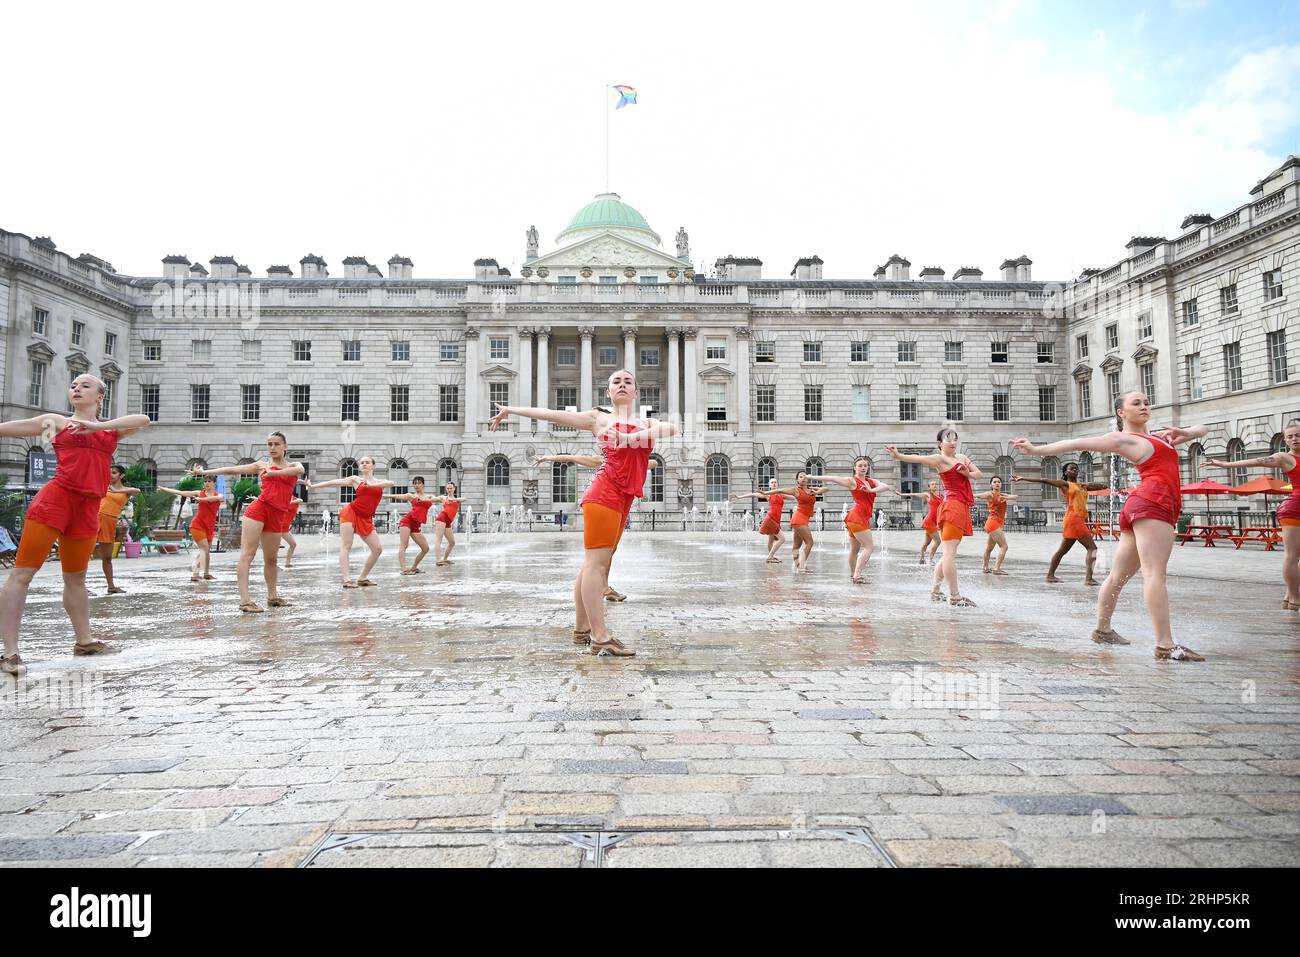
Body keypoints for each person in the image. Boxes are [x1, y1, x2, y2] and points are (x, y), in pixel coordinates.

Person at [489, 369, 679, 657]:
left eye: (628, 382)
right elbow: (551, 414)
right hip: (603, 494)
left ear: (637, 392)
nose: (622, 385)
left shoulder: (645, 422)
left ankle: (581, 629)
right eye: (616, 382)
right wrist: (511, 410)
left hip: (622, 499)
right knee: (596, 566)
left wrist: (631, 438)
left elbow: (673, 428)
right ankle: (600, 636)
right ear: (608, 392)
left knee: (593, 565)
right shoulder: (599, 419)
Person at [1012, 390, 1209, 661]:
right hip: (1153, 504)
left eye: (1146, 402)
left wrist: (1188, 432)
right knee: (1154, 575)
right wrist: (1036, 450)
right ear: (1121, 413)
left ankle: (1103, 630)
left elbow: (1204, 427)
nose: (1144, 406)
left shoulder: (1158, 437)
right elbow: (1075, 441)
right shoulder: (1123, 439)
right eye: (1136, 403)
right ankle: (1165, 645)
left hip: (1142, 506)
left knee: (1118, 576)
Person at [0, 374, 150, 676]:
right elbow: (7, 430)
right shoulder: (56, 423)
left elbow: (144, 419)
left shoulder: (110, 433)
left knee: (76, 578)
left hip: (88, 508)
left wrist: (96, 426)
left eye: (84, 385)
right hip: (55, 501)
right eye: (73, 385)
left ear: (100, 396)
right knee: (23, 573)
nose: (76, 388)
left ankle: (84, 641)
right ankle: (10, 653)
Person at [191, 432, 304, 613]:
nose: (272, 448)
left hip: (278, 514)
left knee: (272, 558)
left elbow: (299, 471)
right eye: (269, 444)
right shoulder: (262, 465)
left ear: (285, 446)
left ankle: (272, 596)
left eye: (276, 444)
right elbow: (232, 470)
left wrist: (274, 473)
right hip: (258, 510)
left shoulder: (293, 465)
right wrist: (205, 472)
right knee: (247, 554)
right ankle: (245, 601)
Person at [1206, 420, 1300, 609]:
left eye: (1298, 435)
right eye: (1290, 436)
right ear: (1286, 440)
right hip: (1294, 507)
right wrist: (1225, 464)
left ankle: (1289, 595)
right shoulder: (1285, 457)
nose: (1295, 439)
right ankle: (1295, 599)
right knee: (1292, 555)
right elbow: (1258, 461)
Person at [537, 453, 660, 594]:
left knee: (611, 550)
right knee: (599, 555)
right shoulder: (607, 461)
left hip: (620, 506)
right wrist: (548, 458)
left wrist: (635, 461)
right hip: (605, 502)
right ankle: (600, 589)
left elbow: (653, 463)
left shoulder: (631, 463)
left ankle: (604, 586)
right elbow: (573, 458)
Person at [887, 429, 984, 607]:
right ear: (939, 443)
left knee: (948, 553)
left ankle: (936, 590)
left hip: (961, 507)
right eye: (948, 440)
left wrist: (967, 474)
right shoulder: (940, 459)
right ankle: (954, 596)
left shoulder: (962, 457)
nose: (952, 442)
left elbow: (979, 474)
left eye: (955, 439)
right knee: (949, 553)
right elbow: (918, 458)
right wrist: (898, 455)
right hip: (952, 506)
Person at [1013, 463, 1107, 585]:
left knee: (1062, 551)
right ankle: (1088, 579)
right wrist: (1024, 478)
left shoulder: (1082, 486)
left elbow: (1102, 486)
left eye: (1076, 469)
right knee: (1092, 548)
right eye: (1072, 469)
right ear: (1065, 472)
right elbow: (1044, 480)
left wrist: (1091, 484)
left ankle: (1050, 575)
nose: (1075, 470)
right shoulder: (1065, 484)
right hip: (1074, 519)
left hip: (1073, 520)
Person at [308, 456, 393, 588]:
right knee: (346, 545)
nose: (364, 464)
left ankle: (362, 578)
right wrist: (313, 485)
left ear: (373, 466)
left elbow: (391, 483)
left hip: (366, 518)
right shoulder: (355, 479)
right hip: (351, 512)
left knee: (377, 549)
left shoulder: (380, 481)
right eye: (362, 463)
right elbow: (334, 482)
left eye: (367, 462)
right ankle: (347, 579)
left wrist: (371, 484)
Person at [817, 458, 893, 583]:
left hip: (855, 518)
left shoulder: (871, 481)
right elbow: (832, 478)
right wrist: (811, 476)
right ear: (855, 467)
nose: (863, 467)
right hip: (857, 517)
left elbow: (885, 486)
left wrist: (871, 490)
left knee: (854, 550)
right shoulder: (852, 481)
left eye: (865, 465)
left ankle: (853, 574)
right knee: (869, 547)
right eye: (860, 466)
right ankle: (857, 575)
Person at [158, 477, 224, 581]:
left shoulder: (219, 495)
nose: (206, 483)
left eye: (209, 481)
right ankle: (195, 574)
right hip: (197, 525)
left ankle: (206, 573)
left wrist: (202, 499)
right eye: (205, 481)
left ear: (214, 484)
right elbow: (181, 492)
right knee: (204, 549)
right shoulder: (198, 493)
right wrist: (164, 489)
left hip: (209, 528)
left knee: (206, 551)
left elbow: (214, 499)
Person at [762, 472, 823, 573]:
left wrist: (813, 488)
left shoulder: (810, 491)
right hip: (799, 519)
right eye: (800, 477)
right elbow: (780, 490)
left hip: (798, 519)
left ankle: (797, 564)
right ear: (797, 480)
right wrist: (767, 493)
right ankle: (801, 566)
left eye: (805, 477)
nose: (803, 478)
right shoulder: (795, 490)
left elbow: (825, 489)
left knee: (796, 546)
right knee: (809, 543)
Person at [94, 465, 142, 594]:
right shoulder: (103, 486)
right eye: (109, 472)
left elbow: (137, 491)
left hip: (110, 521)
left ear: (121, 476)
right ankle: (79, 586)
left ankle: (111, 587)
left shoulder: (125, 491)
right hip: (96, 518)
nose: (111, 475)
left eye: (114, 473)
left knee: (107, 557)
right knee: (85, 554)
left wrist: (115, 491)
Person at [386, 477, 438, 574]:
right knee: (404, 545)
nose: (416, 485)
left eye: (419, 483)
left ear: (423, 484)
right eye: (415, 483)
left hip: (416, 525)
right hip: (407, 521)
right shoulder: (411, 496)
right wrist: (379, 494)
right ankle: (403, 569)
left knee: (425, 548)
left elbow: (440, 499)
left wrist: (450, 499)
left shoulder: (429, 497)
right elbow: (395, 496)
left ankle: (414, 568)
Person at [732, 478, 786, 563]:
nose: (774, 484)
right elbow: (753, 494)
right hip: (771, 518)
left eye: (775, 482)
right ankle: (770, 556)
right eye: (772, 483)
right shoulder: (768, 495)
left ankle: (771, 556)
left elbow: (794, 496)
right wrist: (739, 497)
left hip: (776, 519)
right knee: (782, 539)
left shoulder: (781, 495)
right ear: (769, 485)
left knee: (771, 539)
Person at [976, 476, 1019, 575]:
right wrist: (969, 494)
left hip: (995, 523)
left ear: (1001, 484)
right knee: (1004, 546)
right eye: (994, 482)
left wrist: (1006, 497)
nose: (997, 483)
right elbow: (980, 495)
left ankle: (985, 567)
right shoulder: (990, 494)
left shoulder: (1002, 495)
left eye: (999, 482)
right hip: (993, 523)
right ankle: (996, 568)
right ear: (991, 484)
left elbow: (1016, 497)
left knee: (989, 548)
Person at [898, 480, 943, 565]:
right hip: (929, 521)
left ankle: (922, 559)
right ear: (929, 487)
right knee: (938, 541)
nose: (934, 485)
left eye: (935, 484)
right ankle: (931, 559)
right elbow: (914, 494)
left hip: (933, 522)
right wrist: (901, 494)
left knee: (927, 543)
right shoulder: (928, 495)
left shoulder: (941, 496)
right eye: (932, 484)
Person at [430, 482, 468, 567]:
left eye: (451, 488)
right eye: (448, 488)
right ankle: (438, 560)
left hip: (448, 522)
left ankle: (445, 559)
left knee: (452, 542)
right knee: (438, 539)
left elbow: (464, 499)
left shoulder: (457, 499)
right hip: (442, 518)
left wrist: (454, 500)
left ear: (454, 489)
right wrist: (428, 497)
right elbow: (434, 498)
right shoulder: (444, 498)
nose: (449, 490)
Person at [281, 497, 302, 567]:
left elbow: (300, 500)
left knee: (293, 544)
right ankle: (271, 564)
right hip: (278, 525)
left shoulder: (294, 498)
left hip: (285, 528)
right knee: (274, 546)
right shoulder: (281, 498)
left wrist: (289, 502)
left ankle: (287, 563)